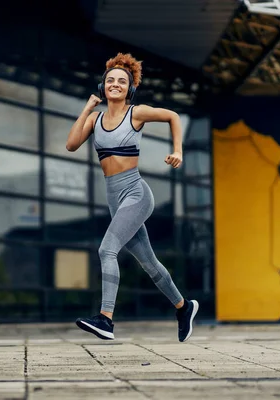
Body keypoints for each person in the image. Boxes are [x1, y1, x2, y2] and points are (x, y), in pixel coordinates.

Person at [65, 52, 199, 342]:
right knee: (149, 264)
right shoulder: (95, 120)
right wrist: (87, 108)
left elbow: (172, 116)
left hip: (136, 194)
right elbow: (71, 144)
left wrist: (178, 151)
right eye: (110, 80)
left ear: (130, 89)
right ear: (103, 88)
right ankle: (183, 307)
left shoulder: (135, 113)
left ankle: (106, 319)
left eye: (121, 81)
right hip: (115, 199)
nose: (115, 84)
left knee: (106, 250)